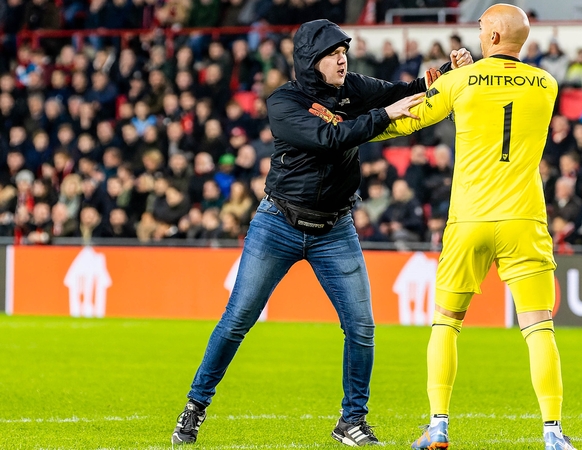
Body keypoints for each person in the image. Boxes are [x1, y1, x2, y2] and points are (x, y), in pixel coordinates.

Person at [170, 19, 473, 447]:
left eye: (344, 52)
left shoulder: (354, 87)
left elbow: (403, 90)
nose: (342, 60)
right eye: (333, 54)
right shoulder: (284, 102)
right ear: (311, 61)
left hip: (335, 228)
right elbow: (329, 138)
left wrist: (448, 70)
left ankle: (352, 421)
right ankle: (195, 405)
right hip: (278, 223)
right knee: (237, 320)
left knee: (362, 328)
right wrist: (383, 116)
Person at [371, 4, 575, 449]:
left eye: (482, 28)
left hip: (470, 219)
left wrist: (354, 131)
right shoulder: (547, 84)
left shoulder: (460, 82)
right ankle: (553, 433)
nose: (478, 34)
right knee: (539, 327)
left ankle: (439, 426)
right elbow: (501, 94)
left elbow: (406, 119)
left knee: (446, 323)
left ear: (495, 37)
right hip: (524, 218)